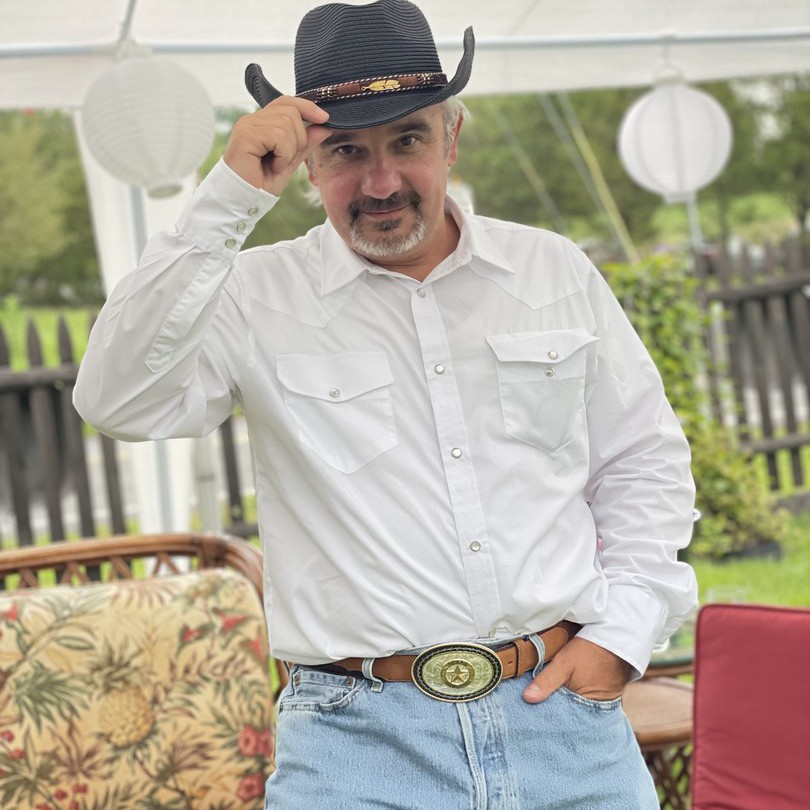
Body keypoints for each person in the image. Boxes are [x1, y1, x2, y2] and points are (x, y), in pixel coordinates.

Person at [74, 1, 698, 807]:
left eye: (407, 141)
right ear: (306, 164)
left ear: (452, 136)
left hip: (567, 726)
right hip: (355, 746)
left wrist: (623, 634)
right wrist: (226, 199)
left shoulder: (552, 271)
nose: (381, 182)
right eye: (345, 151)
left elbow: (641, 461)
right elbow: (117, 400)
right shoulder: (254, 295)